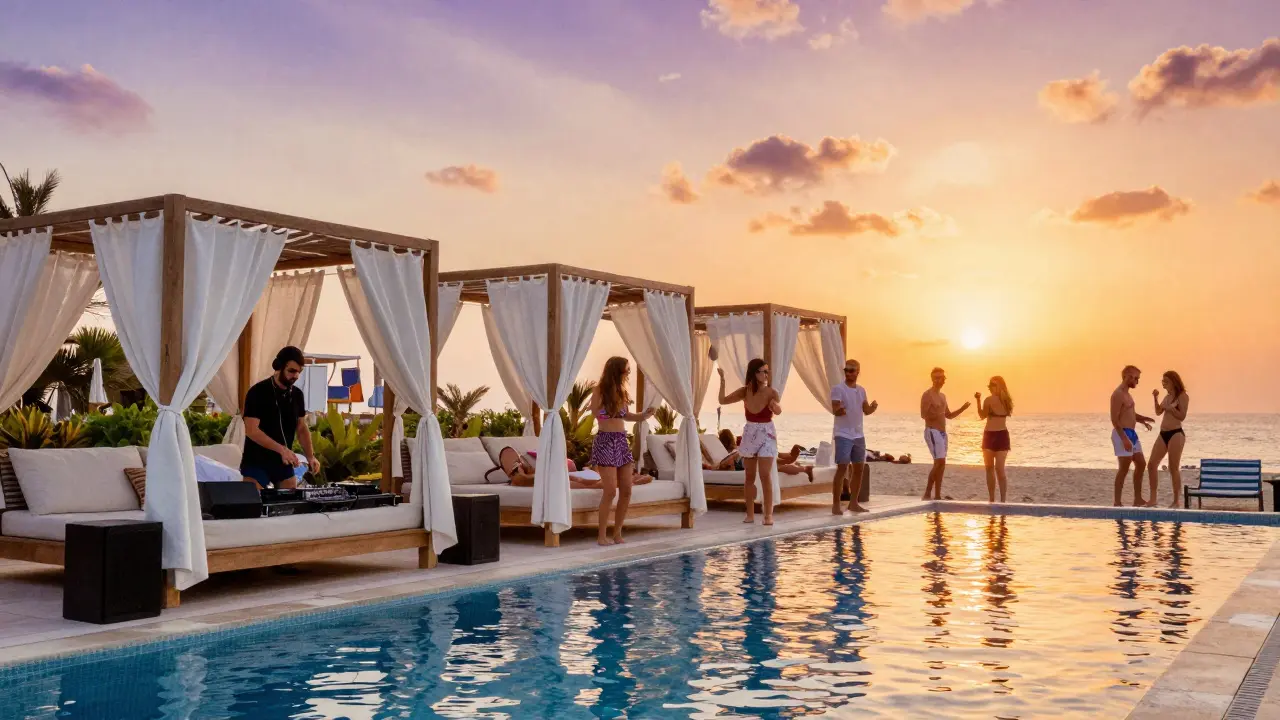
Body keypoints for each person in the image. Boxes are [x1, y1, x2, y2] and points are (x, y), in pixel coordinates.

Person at [589, 357, 656, 545]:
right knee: (610, 491)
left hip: (621, 441)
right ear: (616, 371)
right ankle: (601, 536)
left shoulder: (621, 392)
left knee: (626, 490)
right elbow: (596, 413)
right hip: (605, 441)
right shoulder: (599, 390)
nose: (628, 373)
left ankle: (617, 533)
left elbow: (627, 416)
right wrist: (608, 406)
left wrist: (644, 415)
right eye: (626, 370)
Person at [241, 346, 317, 490]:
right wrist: (282, 450)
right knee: (253, 505)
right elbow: (251, 430)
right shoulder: (257, 392)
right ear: (278, 367)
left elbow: (301, 427)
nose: (296, 376)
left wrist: (310, 457)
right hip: (257, 461)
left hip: (283, 462)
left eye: (299, 372)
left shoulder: (297, 395)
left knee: (288, 505)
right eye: (291, 371)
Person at [717, 355, 782, 525]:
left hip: (766, 433)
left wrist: (775, 407)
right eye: (763, 372)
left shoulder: (771, 392)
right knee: (749, 476)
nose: (766, 375)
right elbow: (722, 401)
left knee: (765, 474)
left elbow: (778, 409)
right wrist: (723, 380)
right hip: (750, 432)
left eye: (767, 372)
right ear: (754, 373)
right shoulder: (744, 391)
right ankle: (750, 514)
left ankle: (768, 515)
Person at [831, 359, 878, 514]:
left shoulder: (861, 390)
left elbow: (866, 410)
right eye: (847, 370)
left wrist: (873, 408)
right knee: (842, 468)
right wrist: (840, 410)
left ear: (858, 372)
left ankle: (853, 503)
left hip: (858, 434)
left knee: (859, 469)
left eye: (852, 370)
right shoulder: (838, 389)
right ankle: (836, 505)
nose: (849, 373)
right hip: (843, 434)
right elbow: (835, 409)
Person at [920, 367, 970, 501]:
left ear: (944, 380)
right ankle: (927, 493)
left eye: (941, 377)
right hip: (932, 430)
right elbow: (923, 414)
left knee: (941, 464)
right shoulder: (927, 395)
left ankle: (937, 495)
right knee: (939, 462)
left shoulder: (943, 396)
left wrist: (962, 409)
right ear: (932, 379)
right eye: (936, 377)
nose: (938, 380)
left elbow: (949, 415)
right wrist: (935, 413)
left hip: (942, 433)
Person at [1111, 365, 1155, 506]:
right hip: (1122, 433)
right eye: (1136, 378)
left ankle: (1137, 499)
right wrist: (1124, 438)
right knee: (1124, 468)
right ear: (1127, 376)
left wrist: (1143, 420)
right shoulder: (1117, 394)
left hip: (1132, 433)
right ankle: (1117, 502)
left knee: (1141, 464)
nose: (1137, 381)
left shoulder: (1128, 395)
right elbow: (1114, 419)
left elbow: (1130, 415)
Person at [1147, 371, 1190, 508]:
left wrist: (1171, 409)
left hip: (1176, 434)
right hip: (1163, 433)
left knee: (1173, 467)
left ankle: (1176, 501)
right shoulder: (1167, 397)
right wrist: (1155, 398)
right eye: (1162, 380)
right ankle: (1153, 499)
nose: (1163, 382)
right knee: (1152, 464)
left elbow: (1182, 416)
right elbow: (1159, 411)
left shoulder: (1182, 396)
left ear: (1173, 381)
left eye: (1165, 380)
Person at [975, 376, 1013, 503]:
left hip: (1000, 435)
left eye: (993, 385)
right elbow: (982, 416)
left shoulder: (997, 400)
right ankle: (993, 499)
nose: (991, 387)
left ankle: (1001, 500)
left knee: (998, 469)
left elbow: (982, 415)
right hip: (991, 435)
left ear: (1000, 386)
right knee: (990, 468)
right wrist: (979, 400)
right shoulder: (1004, 400)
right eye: (990, 385)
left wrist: (978, 400)